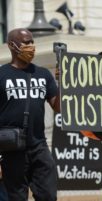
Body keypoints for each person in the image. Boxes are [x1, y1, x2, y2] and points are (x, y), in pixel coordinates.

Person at [0, 28, 60, 201]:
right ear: (12, 45)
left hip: (39, 145)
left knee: (48, 195)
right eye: (26, 43)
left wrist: (61, 82)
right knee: (17, 197)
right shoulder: (2, 74)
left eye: (32, 42)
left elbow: (58, 108)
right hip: (11, 148)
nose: (31, 46)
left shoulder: (42, 74)